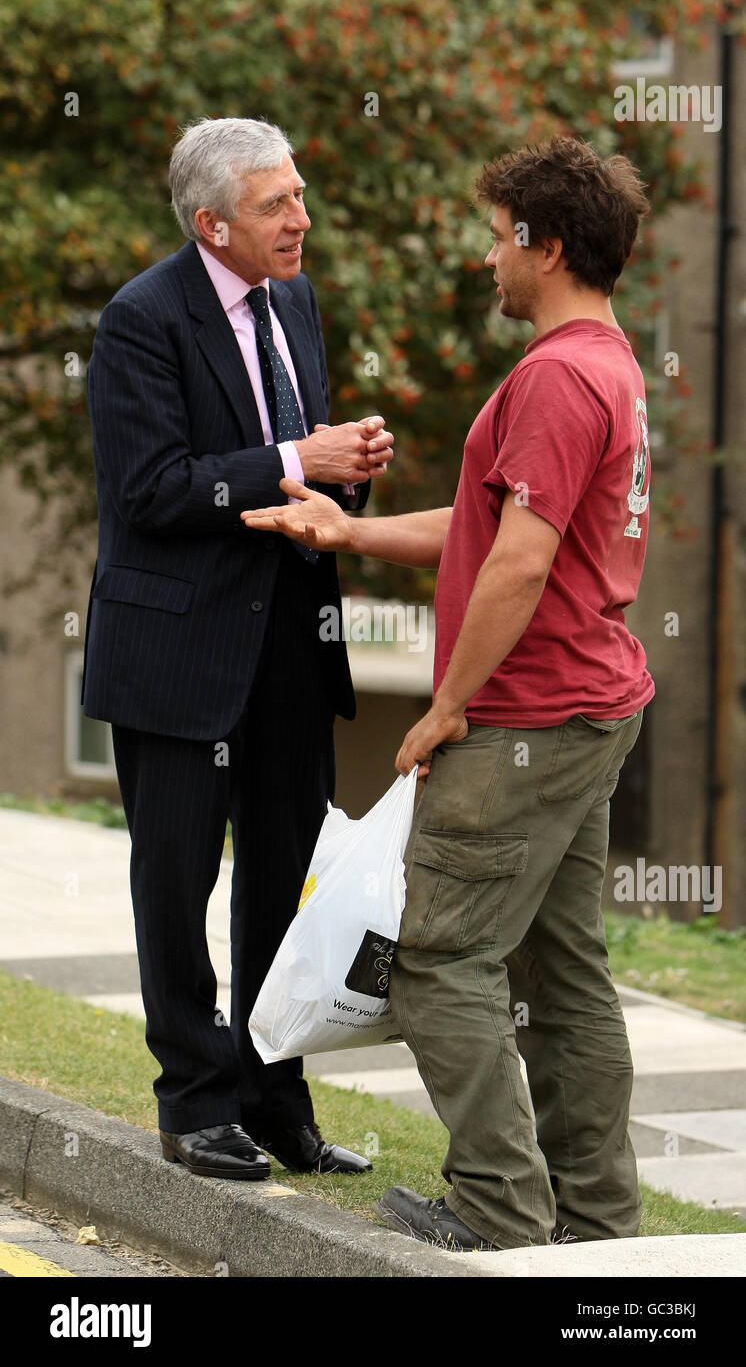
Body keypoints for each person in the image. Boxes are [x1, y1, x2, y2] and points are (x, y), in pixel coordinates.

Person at [242, 136, 654, 1246]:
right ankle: (597, 1221)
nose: (485, 260)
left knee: (436, 961)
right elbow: (492, 531)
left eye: (493, 236)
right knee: (559, 968)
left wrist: (441, 707)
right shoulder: (604, 362)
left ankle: (498, 1210)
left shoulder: (558, 377)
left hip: (523, 716)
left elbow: (518, 565)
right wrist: (348, 528)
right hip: (588, 706)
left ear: (544, 244)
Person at [81, 117, 393, 1180]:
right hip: (177, 655)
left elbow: (287, 465)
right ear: (211, 223)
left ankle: (272, 1099)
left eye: (298, 196)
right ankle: (194, 1101)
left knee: (280, 880)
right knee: (175, 886)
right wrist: (286, 458)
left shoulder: (292, 299)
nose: (300, 219)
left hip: (293, 650)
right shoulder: (137, 320)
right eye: (276, 205)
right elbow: (151, 489)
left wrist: (341, 467)